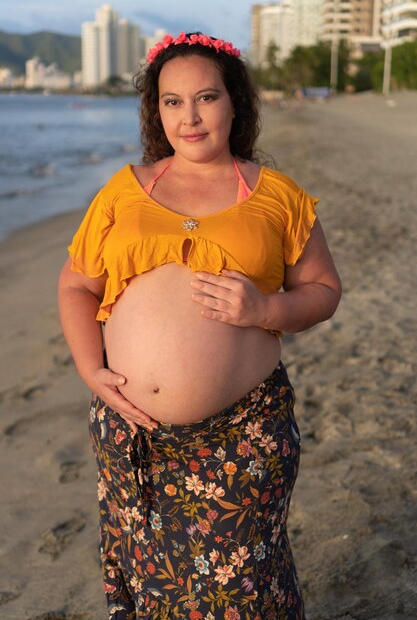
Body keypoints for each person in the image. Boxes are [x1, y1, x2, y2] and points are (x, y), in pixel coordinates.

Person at [58, 31, 341, 620]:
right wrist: (91, 370)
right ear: (155, 111)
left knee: (242, 587)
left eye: (206, 97)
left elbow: (322, 291)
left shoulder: (278, 195)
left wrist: (266, 311)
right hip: (136, 433)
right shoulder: (123, 191)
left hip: (244, 433)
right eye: (171, 101)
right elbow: (76, 286)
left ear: (234, 102)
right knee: (151, 580)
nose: (189, 117)